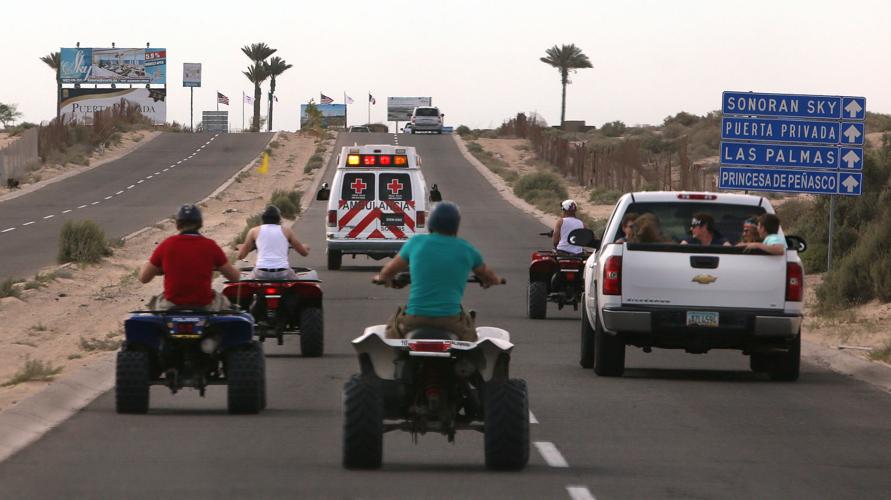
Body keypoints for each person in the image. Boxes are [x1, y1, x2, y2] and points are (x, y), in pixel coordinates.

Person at [373, 202, 502, 342]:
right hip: (450, 321)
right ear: (456, 225)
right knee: (472, 342)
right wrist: (494, 280)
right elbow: (487, 274)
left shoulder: (416, 243)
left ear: (431, 222)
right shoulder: (466, 249)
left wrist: (382, 278)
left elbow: (389, 270)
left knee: (392, 334)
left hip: (415, 319)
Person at [139, 204, 240, 310]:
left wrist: (157, 267)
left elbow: (143, 278)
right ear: (200, 224)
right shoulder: (210, 245)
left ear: (178, 224)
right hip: (203, 305)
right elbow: (235, 277)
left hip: (172, 304)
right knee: (228, 305)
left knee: (152, 306)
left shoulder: (167, 244)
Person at [237, 205, 310, 280]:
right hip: (283, 272)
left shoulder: (254, 231)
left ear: (263, 218)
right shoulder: (287, 231)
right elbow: (304, 253)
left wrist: (241, 248)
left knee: (248, 285)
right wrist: (305, 247)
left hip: (261, 272)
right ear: (279, 219)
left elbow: (240, 256)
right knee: (296, 285)